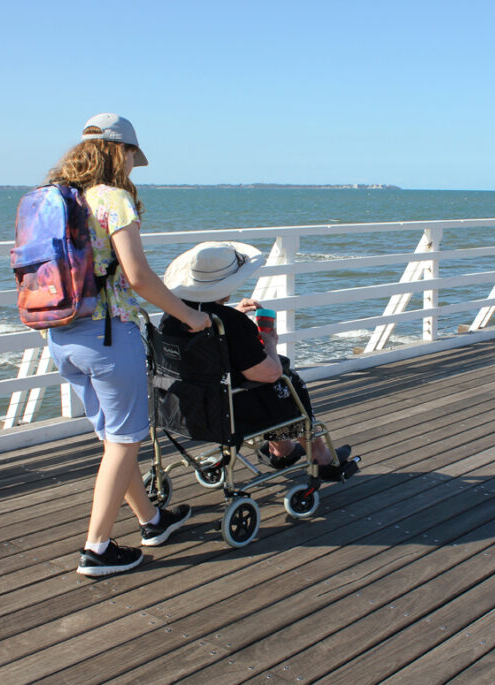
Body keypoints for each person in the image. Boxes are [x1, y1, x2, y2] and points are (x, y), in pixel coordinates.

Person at [44, 113, 211, 578]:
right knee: (124, 440)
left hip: (63, 336)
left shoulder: (61, 199)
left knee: (114, 439)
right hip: (109, 336)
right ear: (119, 152)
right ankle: (96, 549)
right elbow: (137, 277)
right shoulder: (112, 199)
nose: (134, 167)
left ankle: (152, 521)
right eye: (133, 157)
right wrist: (189, 314)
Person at [160, 241, 354, 481]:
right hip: (229, 409)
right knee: (284, 378)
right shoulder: (231, 323)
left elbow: (205, 347)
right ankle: (320, 457)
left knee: (270, 382)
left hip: (184, 404)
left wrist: (231, 314)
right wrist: (269, 341)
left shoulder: (172, 315)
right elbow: (268, 373)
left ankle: (284, 449)